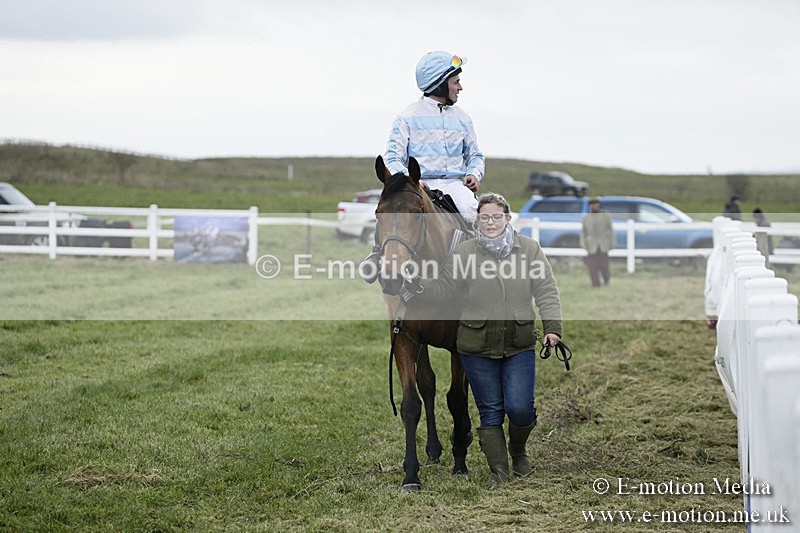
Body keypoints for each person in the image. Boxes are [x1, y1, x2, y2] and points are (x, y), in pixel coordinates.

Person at [403, 193, 563, 487]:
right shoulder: (464, 253)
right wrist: (415, 283)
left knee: (520, 408)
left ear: (507, 219)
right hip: (476, 345)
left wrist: (552, 327)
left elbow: (546, 290)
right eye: (485, 217)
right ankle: (499, 472)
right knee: (490, 411)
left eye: (496, 216)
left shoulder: (529, 250)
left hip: (518, 343)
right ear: (478, 220)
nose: (490, 222)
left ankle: (518, 451)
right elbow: (444, 288)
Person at [384, 50, 485, 222]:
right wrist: (410, 180)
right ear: (439, 86)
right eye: (456, 82)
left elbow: (475, 156)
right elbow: (391, 159)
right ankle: (380, 249)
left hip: (455, 186)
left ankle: (485, 249)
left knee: (478, 216)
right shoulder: (406, 117)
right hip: (419, 186)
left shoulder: (463, 118)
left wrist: (474, 174)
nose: (460, 88)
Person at [580, 198, 614, 287]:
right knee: (592, 266)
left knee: (604, 265)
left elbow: (611, 230)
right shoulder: (586, 218)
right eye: (592, 205)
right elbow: (583, 232)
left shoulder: (605, 216)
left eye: (595, 204)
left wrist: (612, 242)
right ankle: (595, 284)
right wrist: (583, 244)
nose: (594, 206)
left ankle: (606, 280)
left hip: (603, 244)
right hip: (591, 245)